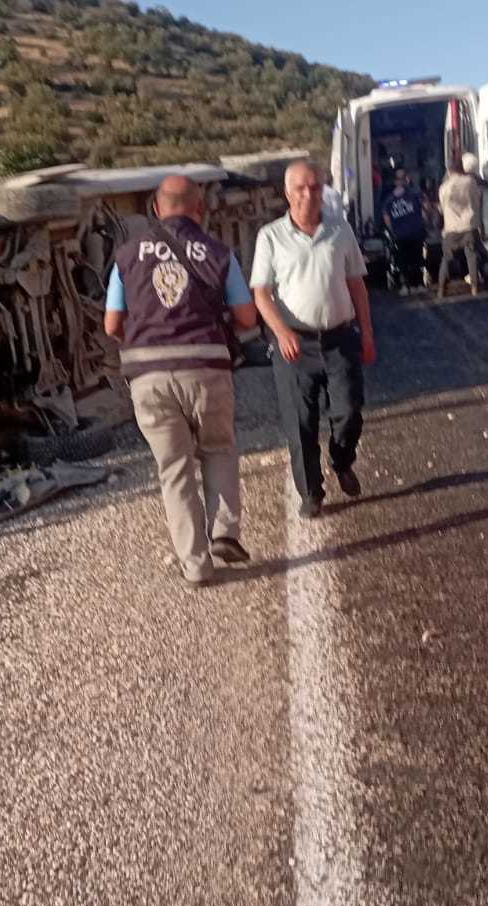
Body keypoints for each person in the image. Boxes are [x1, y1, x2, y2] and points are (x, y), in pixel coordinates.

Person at [104, 174, 259, 588]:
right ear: (200, 209)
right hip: (207, 369)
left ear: (155, 209)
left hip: (149, 378)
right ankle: (225, 532)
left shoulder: (126, 256)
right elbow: (247, 318)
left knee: (174, 470)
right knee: (218, 448)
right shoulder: (220, 254)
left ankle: (195, 565)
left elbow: (111, 324)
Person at [250, 160, 377, 520]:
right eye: (301, 188)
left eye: (316, 187)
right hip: (295, 346)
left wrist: (366, 330)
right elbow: (261, 293)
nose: (309, 194)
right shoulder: (270, 237)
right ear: (287, 193)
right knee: (301, 423)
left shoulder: (341, 231)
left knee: (349, 411)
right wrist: (281, 330)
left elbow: (357, 285)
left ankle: (341, 460)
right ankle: (311, 493)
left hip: (340, 338)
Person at [436, 152, 484, 298]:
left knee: (447, 259)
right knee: (471, 257)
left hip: (451, 229)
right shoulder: (470, 182)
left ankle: (441, 289)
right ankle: (474, 288)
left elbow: (442, 209)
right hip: (469, 227)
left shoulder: (444, 187)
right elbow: (477, 202)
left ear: (449, 170)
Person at [380, 168, 426, 294]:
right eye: (399, 178)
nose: (401, 181)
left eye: (402, 178)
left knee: (409, 261)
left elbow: (387, 218)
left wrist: (392, 230)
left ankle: (412, 285)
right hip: (408, 233)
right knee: (410, 260)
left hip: (407, 233)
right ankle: (412, 285)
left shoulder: (391, 199)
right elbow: (423, 211)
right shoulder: (411, 194)